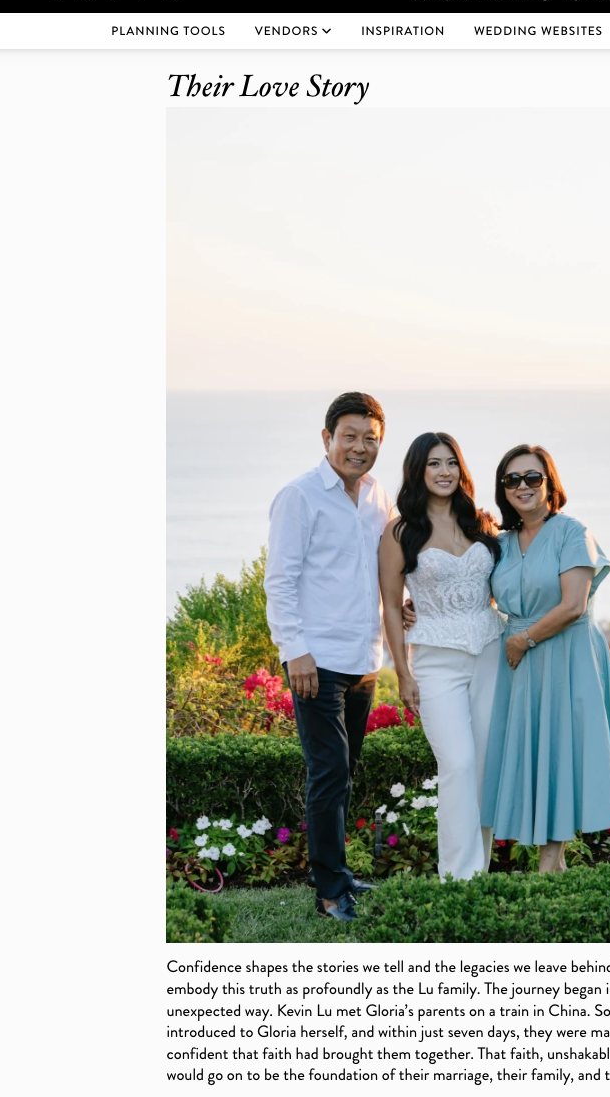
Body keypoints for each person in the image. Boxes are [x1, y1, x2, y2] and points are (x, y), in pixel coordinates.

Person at [264, 392, 393, 923]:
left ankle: (335, 872)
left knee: (344, 770)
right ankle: (330, 891)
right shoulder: (299, 496)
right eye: (350, 436)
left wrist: (405, 603)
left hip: (363, 657)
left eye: (370, 439)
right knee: (329, 770)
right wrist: (295, 651)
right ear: (327, 438)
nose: (360, 448)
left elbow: (383, 566)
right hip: (316, 660)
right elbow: (280, 581)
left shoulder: (378, 496)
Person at [480, 444, 610, 873]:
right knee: (533, 754)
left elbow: (573, 605)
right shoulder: (502, 543)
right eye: (512, 479)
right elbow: (477, 595)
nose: (523, 486)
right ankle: (551, 864)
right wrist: (416, 608)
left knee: (562, 751)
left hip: (567, 656)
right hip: (520, 663)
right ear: (503, 489)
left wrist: (523, 640)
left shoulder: (572, 532)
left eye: (533, 477)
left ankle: (551, 863)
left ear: (550, 483)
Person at [380, 432, 504, 881]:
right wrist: (402, 673)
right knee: (457, 764)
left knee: (485, 766)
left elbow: (502, 586)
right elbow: (390, 607)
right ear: (418, 471)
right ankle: (456, 878)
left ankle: (478, 873)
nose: (445, 471)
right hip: (435, 660)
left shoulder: (482, 523)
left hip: (491, 653)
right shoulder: (399, 532)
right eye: (434, 463)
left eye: (451, 462)